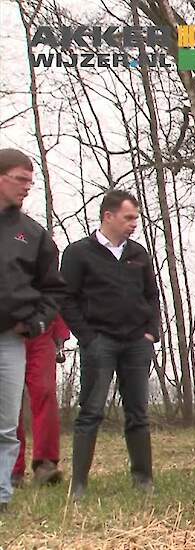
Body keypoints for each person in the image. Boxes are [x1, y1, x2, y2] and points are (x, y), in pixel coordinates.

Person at [60, 189, 160, 500]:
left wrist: (151, 333)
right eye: (129, 218)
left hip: (136, 343)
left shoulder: (138, 254)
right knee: (90, 412)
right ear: (108, 216)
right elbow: (66, 298)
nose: (134, 224)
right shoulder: (79, 253)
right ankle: (79, 485)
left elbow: (152, 296)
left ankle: (143, 479)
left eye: (136, 218)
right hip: (99, 342)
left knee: (138, 414)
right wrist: (87, 337)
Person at [0, 148, 65, 512]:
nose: (28, 187)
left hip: (11, 339)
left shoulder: (32, 234)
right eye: (21, 179)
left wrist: (39, 320)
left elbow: (53, 287)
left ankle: (2, 496)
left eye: (31, 181)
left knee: (6, 423)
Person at [11, 315, 70, 487]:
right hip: (7, 331)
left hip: (41, 330)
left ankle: (45, 463)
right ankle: (12, 468)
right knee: (9, 402)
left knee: (45, 393)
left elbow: (55, 291)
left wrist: (60, 332)